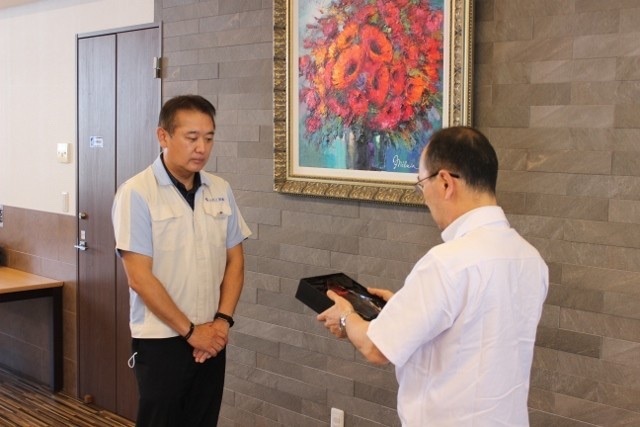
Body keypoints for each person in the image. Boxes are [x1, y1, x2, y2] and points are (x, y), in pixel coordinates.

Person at [318, 126, 549, 426]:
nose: (424, 197)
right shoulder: (531, 259)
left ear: (445, 183)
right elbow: (474, 329)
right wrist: (403, 307)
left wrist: (346, 316)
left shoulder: (446, 263)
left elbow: (375, 348)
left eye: (421, 184)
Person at [112, 95, 251, 427]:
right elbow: (139, 277)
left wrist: (222, 322)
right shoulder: (137, 192)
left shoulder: (220, 189)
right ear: (163, 136)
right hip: (161, 339)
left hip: (211, 336)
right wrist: (190, 332)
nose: (201, 148)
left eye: (209, 138)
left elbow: (235, 261)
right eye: (192, 138)